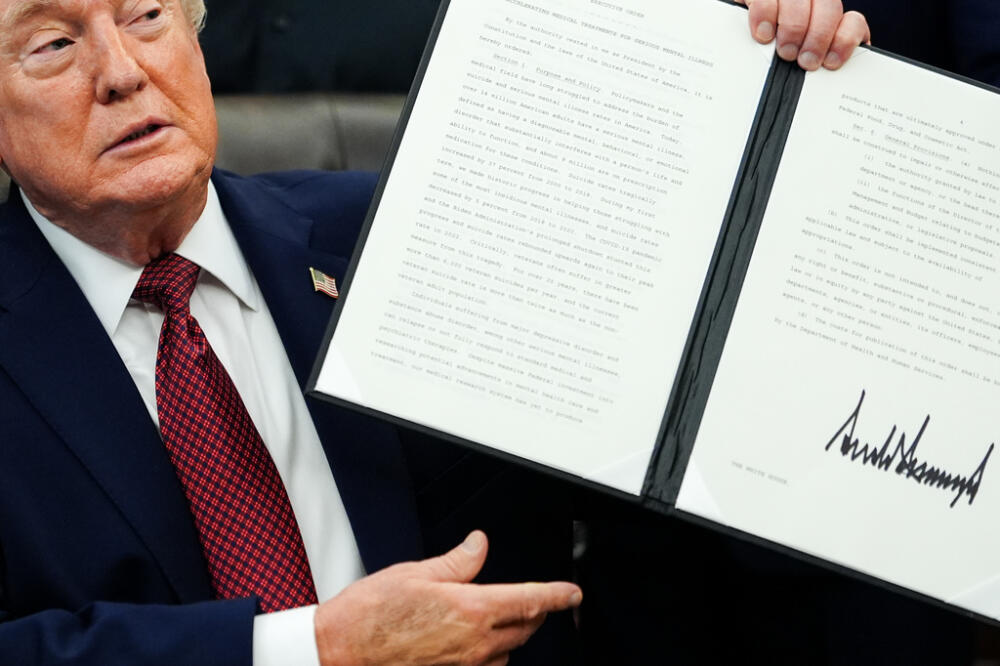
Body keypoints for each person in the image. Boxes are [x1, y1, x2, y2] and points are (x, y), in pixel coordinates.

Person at [0, 0, 869, 664]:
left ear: (196, 39)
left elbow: (681, 438)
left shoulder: (417, 226)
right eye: (52, 44)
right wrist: (314, 649)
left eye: (146, 15)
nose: (122, 71)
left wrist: (794, 88)